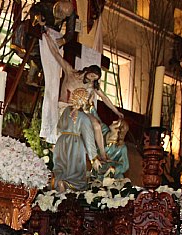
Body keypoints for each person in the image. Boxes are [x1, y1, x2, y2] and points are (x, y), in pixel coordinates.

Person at [42, 29, 124, 160]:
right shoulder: (71, 72)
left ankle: (102, 154)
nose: (92, 80)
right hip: (64, 108)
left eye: (95, 79)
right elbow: (57, 55)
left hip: (80, 112)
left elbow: (104, 97)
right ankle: (85, 154)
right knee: (81, 122)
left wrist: (116, 111)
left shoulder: (91, 85)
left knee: (96, 124)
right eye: (91, 76)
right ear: (87, 71)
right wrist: (48, 39)